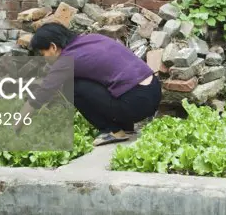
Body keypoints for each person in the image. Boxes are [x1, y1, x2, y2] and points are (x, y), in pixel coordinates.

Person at [21, 23, 161, 146]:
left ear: (53, 47)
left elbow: (42, 94)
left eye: (42, 53)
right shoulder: (90, 39)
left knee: (72, 87)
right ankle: (125, 126)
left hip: (136, 102)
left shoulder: (66, 60)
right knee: (96, 79)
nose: (44, 59)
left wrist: (17, 124)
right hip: (153, 90)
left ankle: (113, 130)